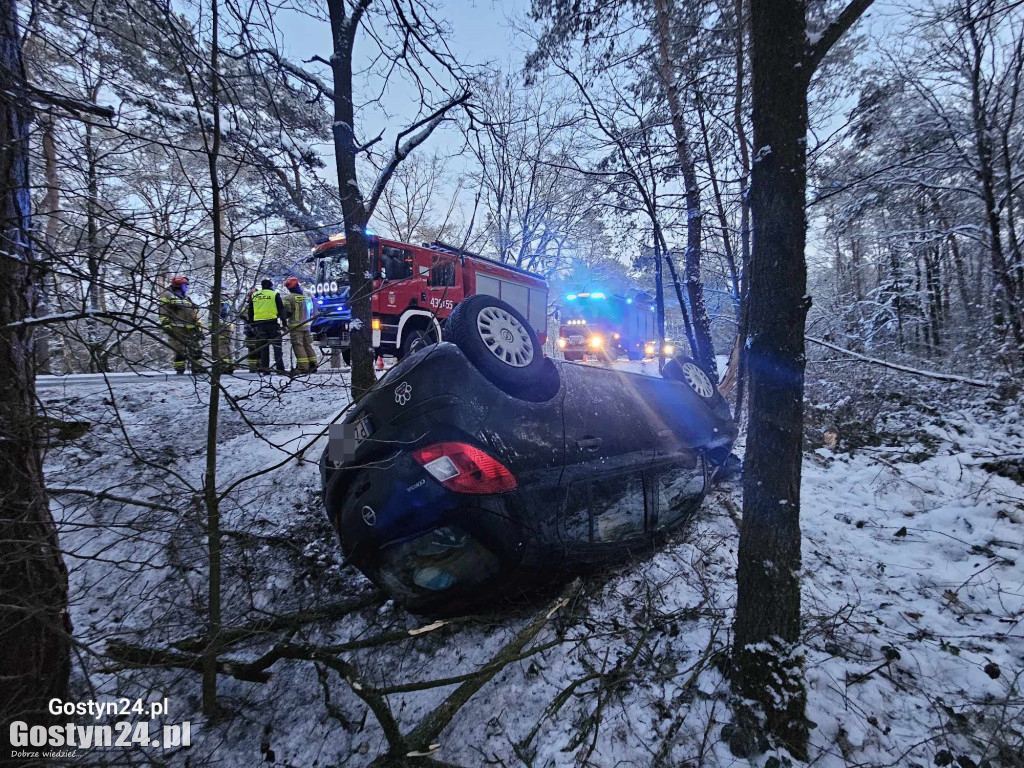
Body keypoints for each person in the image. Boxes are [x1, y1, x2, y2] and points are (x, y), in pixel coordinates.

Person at [158, 276, 204, 374]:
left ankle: (197, 368)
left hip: (191, 329)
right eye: (185, 285)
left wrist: (199, 328)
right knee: (179, 350)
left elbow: (194, 313)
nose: (186, 287)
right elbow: (163, 311)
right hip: (176, 329)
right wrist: (166, 325)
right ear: (178, 285)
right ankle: (180, 370)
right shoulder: (166, 295)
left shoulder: (186, 297)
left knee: (196, 349)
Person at [246, 279, 287, 373]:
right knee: (277, 347)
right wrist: (284, 324)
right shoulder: (274, 294)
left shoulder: (255, 295)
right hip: (272, 324)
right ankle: (280, 369)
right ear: (271, 286)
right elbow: (281, 310)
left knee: (264, 348)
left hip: (259, 325)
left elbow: (250, 311)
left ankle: (265, 369)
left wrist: (252, 324)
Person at [281, 277, 318, 373]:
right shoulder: (306, 298)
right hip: (307, 326)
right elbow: (312, 311)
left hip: (295, 327)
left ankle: (303, 367)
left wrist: (281, 319)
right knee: (308, 345)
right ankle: (313, 364)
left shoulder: (288, 298)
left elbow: (287, 312)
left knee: (298, 346)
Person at [211, 290, 235, 372]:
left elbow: (223, 313)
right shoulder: (228, 300)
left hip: (222, 326)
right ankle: (230, 366)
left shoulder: (220, 300)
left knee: (221, 345)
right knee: (226, 345)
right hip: (228, 326)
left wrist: (218, 324)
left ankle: (223, 366)